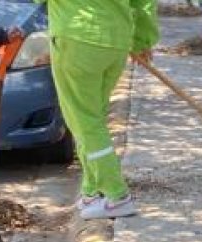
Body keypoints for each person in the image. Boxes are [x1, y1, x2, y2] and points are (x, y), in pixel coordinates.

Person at [41, 0, 158, 220]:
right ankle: (91, 191)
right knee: (93, 118)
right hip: (116, 41)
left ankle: (116, 195)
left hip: (77, 37)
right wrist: (142, 40)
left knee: (84, 120)